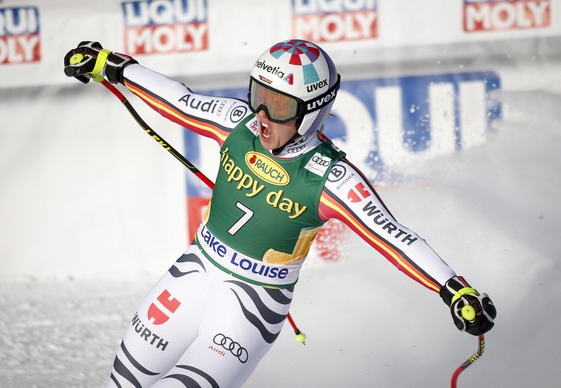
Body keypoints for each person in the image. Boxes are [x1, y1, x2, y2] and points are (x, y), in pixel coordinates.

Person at [63, 39, 496, 388]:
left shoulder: (332, 179)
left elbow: (393, 236)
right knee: (122, 381)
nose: (264, 116)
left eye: (281, 107)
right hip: (194, 272)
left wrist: (454, 289)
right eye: (259, 97)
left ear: (312, 113)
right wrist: (115, 66)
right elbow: (180, 100)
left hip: (251, 305)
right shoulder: (239, 122)